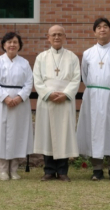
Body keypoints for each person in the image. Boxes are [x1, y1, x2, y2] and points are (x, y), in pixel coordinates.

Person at [77, 17, 110, 181]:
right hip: (93, 96)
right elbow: (85, 75)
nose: (102, 29)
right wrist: (96, 90)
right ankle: (97, 168)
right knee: (95, 131)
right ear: (94, 32)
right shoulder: (88, 53)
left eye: (105, 26)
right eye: (99, 27)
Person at [33, 25, 81, 182]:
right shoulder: (41, 57)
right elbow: (37, 79)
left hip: (64, 102)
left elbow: (76, 79)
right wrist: (48, 93)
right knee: (47, 134)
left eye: (60, 34)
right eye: (53, 35)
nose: (57, 37)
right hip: (47, 101)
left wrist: (66, 94)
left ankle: (62, 171)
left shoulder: (72, 57)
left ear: (65, 37)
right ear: (48, 37)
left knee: (64, 135)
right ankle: (48, 171)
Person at [0, 32, 34, 181]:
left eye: (15, 42)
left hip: (20, 103)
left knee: (17, 134)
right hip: (3, 102)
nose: (12, 45)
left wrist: (20, 97)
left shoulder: (24, 63)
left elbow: (28, 83)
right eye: (9, 42)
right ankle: (2, 170)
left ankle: (14, 169)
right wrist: (5, 97)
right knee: (2, 133)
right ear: (4, 45)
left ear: (19, 45)